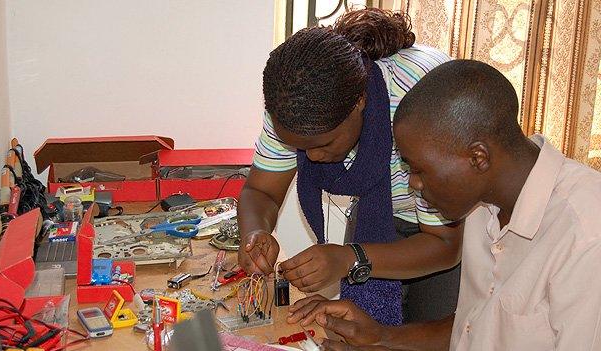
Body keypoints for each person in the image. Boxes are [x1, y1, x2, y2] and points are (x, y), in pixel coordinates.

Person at [287, 59, 601, 350]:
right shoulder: (482, 205)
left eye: (419, 169)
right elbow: (474, 327)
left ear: (477, 157)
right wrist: (380, 338)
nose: (413, 183)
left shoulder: (586, 237)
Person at [238, 7, 462, 326]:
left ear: (359, 102)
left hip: (446, 224)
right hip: (387, 210)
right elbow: (261, 191)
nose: (311, 158)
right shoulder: (292, 106)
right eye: (300, 147)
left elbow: (444, 245)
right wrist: (255, 231)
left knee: (428, 333)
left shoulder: (417, 110)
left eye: (323, 144)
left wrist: (350, 258)